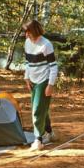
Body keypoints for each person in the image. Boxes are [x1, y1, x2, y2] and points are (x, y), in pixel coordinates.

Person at [23, 20, 58, 151]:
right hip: (33, 80)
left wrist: (50, 85)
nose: (26, 35)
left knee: (37, 109)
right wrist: (26, 78)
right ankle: (50, 132)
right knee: (41, 108)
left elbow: (53, 67)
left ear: (35, 31)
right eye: (25, 32)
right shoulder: (27, 43)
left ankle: (38, 140)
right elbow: (27, 62)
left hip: (44, 80)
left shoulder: (46, 44)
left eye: (28, 32)